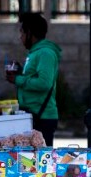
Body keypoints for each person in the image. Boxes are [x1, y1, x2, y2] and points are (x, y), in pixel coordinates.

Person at [5, 13, 61, 146]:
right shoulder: (36, 52)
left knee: (41, 162)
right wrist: (20, 72)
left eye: (22, 33)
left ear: (30, 33)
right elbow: (34, 77)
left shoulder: (45, 53)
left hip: (42, 116)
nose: (21, 38)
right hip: (33, 114)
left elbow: (44, 83)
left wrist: (18, 80)